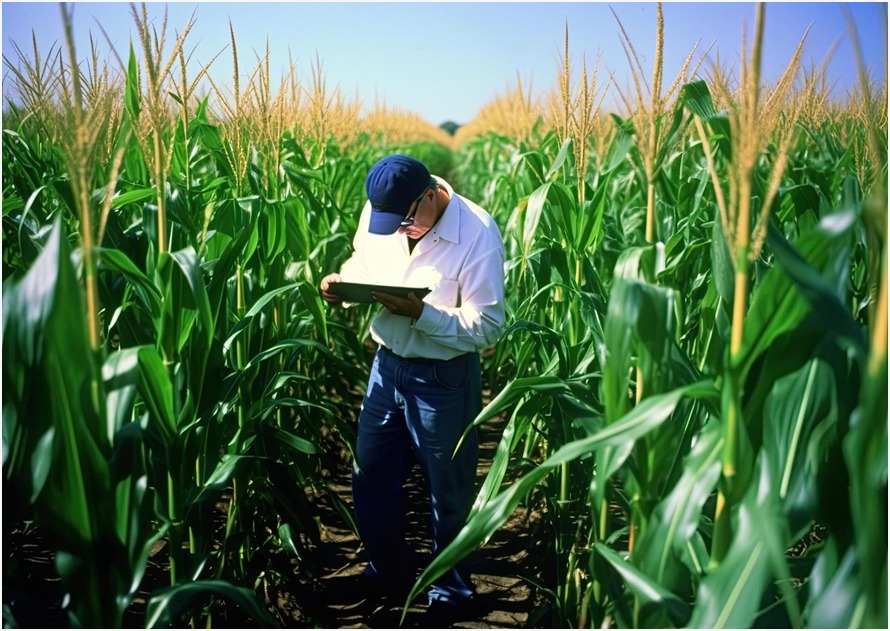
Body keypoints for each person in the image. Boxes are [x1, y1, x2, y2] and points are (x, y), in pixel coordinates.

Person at [320, 154, 506, 613]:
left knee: (448, 490)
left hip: (443, 378)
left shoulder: (477, 232)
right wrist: (342, 283)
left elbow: (488, 325)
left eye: (405, 221)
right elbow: (364, 259)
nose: (400, 230)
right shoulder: (384, 212)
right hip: (387, 368)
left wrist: (422, 315)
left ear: (431, 195)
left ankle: (451, 592)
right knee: (371, 477)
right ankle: (388, 571)